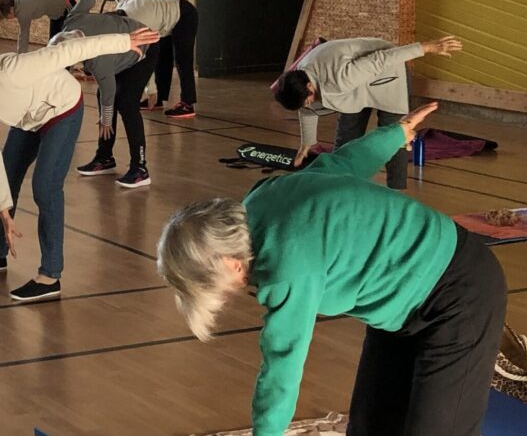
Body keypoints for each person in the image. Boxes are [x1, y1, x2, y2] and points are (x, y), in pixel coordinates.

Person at [157, 102, 506, 436]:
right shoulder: (261, 200)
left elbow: (282, 368)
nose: (232, 293)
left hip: (460, 294)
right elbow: (341, 164)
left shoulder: (287, 265)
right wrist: (395, 134)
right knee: (370, 427)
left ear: (230, 264)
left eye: (221, 288)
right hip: (400, 304)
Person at [0, 29, 160, 302]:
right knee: (7, 175)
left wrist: (124, 41)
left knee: (45, 187)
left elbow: (68, 51)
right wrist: (4, 212)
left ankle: (50, 276)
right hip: (29, 118)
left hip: (61, 110)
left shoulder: (10, 72)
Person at [271, 35, 463, 188]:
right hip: (353, 86)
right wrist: (306, 143)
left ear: (308, 86)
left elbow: (382, 59)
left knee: (395, 134)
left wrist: (428, 47)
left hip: (387, 74)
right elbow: (307, 110)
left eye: (307, 100)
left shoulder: (338, 79)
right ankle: (339, 185)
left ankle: (396, 189)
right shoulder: (300, 76)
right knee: (346, 138)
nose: (308, 105)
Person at [56, 0, 159, 188]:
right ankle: (105, 157)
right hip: (120, 46)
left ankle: (140, 169)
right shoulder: (72, 20)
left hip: (144, 45)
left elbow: (109, 91)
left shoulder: (97, 59)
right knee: (103, 99)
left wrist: (105, 121)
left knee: (127, 104)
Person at [116, 0, 199, 119]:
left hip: (184, 14)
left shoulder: (138, 24)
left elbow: (146, 58)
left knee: (183, 60)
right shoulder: (122, 6)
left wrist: (151, 91)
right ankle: (159, 99)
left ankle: (187, 104)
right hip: (166, 19)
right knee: (162, 58)